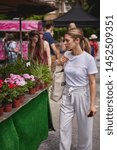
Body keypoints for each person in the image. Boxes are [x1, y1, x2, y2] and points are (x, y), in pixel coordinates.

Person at [59, 28, 98, 150]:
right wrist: (59, 63)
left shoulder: (88, 59)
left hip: (82, 94)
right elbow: (59, 73)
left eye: (67, 40)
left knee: (85, 129)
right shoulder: (66, 55)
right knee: (63, 128)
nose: (64, 43)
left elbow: (92, 83)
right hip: (67, 94)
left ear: (77, 40)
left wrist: (92, 105)